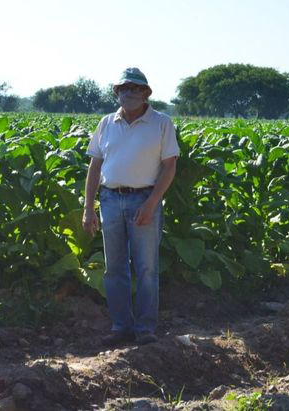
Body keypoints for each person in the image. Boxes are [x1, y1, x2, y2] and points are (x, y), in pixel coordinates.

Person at [82, 68, 179, 346]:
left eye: (136, 88)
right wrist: (88, 207)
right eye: (124, 88)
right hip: (110, 199)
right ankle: (121, 326)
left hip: (143, 199)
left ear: (146, 93)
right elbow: (95, 165)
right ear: (117, 93)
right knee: (114, 268)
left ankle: (145, 329)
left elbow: (170, 167)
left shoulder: (161, 123)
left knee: (147, 267)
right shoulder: (107, 123)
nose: (129, 93)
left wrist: (151, 203)